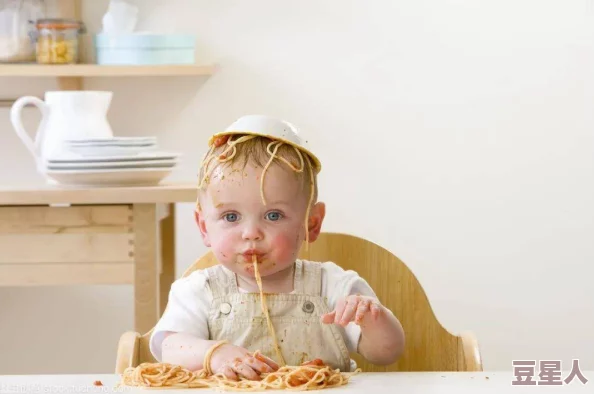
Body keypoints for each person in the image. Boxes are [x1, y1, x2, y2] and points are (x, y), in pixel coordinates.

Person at [149, 115, 405, 381]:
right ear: (204, 227)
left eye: (273, 216)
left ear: (311, 224)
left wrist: (372, 319)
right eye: (231, 217)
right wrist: (214, 354)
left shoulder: (333, 287)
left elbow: (386, 353)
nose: (251, 234)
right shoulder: (199, 291)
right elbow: (169, 347)